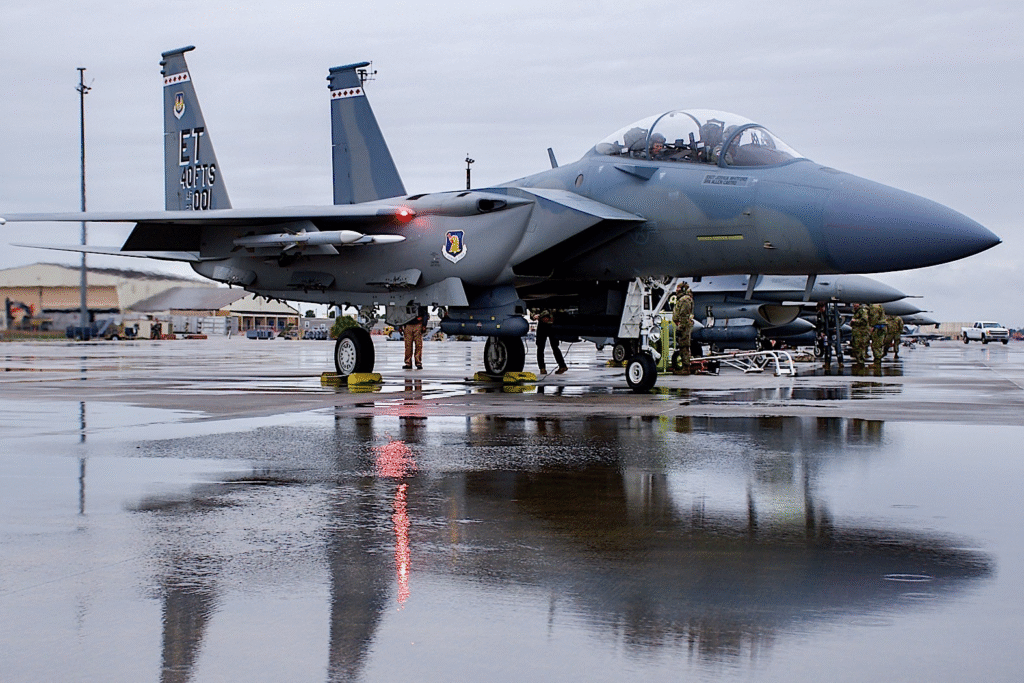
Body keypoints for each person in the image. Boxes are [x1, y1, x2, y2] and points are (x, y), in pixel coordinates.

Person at [535, 309, 567, 374]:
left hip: (545, 324)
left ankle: (542, 368)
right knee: (554, 347)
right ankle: (562, 365)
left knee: (541, 348)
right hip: (550, 324)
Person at [672, 281, 694, 373]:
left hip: (684, 326)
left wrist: (680, 328)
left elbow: (684, 315)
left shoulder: (685, 300)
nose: (676, 290)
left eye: (678, 288)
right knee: (682, 346)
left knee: (684, 346)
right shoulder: (682, 299)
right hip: (683, 325)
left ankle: (686, 369)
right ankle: (685, 367)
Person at [402, 304, 427, 370]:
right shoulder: (420, 302)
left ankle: (416, 362)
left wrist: (424, 324)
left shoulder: (407, 302)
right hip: (410, 325)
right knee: (408, 345)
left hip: (416, 324)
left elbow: (425, 313)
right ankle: (410, 362)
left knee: (417, 345)